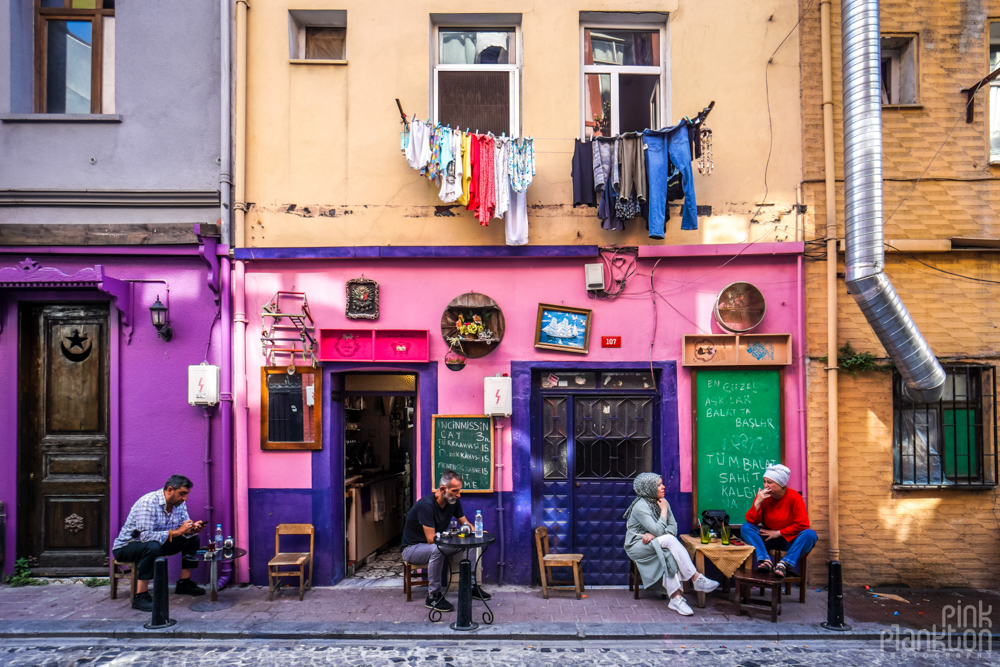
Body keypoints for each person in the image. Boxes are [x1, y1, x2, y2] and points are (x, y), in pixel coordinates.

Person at [624, 472, 720, 616]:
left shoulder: (662, 501)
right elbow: (659, 530)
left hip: (655, 541)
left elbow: (673, 528)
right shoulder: (641, 506)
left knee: (668, 552)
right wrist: (663, 512)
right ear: (648, 488)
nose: (663, 487)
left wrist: (654, 534)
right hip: (638, 546)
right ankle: (695, 578)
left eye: (662, 483)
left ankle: (676, 598)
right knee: (669, 541)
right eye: (658, 485)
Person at [112, 475, 207, 611]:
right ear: (169, 490)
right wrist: (180, 531)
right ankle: (140, 596)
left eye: (186, 494)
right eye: (182, 494)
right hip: (128, 546)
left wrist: (191, 529)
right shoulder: (148, 502)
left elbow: (182, 529)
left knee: (192, 539)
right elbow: (146, 536)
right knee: (152, 546)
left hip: (158, 543)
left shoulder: (179, 504)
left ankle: (184, 583)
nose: (185, 498)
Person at [400, 470, 490, 612]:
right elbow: (431, 539)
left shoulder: (453, 502)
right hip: (412, 549)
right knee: (437, 549)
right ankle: (433, 596)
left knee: (471, 543)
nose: (458, 495)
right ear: (442, 489)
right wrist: (452, 537)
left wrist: (476, 532)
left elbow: (465, 523)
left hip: (437, 543)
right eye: (455, 491)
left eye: (459, 491)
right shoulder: (426, 506)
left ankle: (471, 586)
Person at [742, 463, 817, 578]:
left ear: (781, 484)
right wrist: (757, 502)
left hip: (789, 540)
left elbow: (803, 524)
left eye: (770, 482)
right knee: (746, 528)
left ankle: (784, 564)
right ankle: (765, 560)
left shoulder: (794, 497)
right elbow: (752, 521)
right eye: (764, 481)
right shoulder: (763, 497)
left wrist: (778, 533)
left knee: (810, 535)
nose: (766, 485)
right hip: (768, 537)